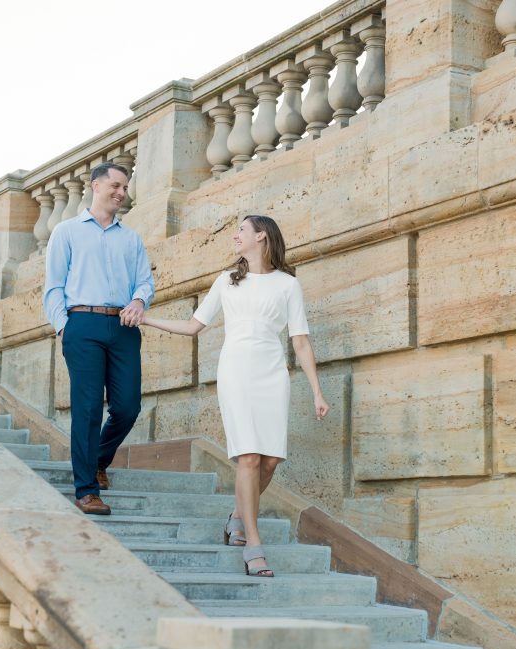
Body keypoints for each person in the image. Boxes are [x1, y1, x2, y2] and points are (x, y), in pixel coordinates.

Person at [141, 215, 329, 577]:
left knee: (271, 460)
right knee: (249, 458)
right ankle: (254, 546)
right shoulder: (226, 280)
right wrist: (148, 320)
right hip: (236, 372)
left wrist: (317, 390)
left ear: (261, 235)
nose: (234, 235)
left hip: (273, 375)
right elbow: (194, 326)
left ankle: (237, 517)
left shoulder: (288, 285)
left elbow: (300, 340)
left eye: (241, 229)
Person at [42, 162, 154, 516]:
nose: (122, 193)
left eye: (125, 188)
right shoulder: (67, 232)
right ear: (96, 185)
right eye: (116, 186)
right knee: (88, 408)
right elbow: (53, 287)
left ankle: (98, 460)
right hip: (82, 325)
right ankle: (86, 489)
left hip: (123, 328)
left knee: (127, 407)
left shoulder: (130, 238)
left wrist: (139, 300)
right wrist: (64, 327)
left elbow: (144, 282)